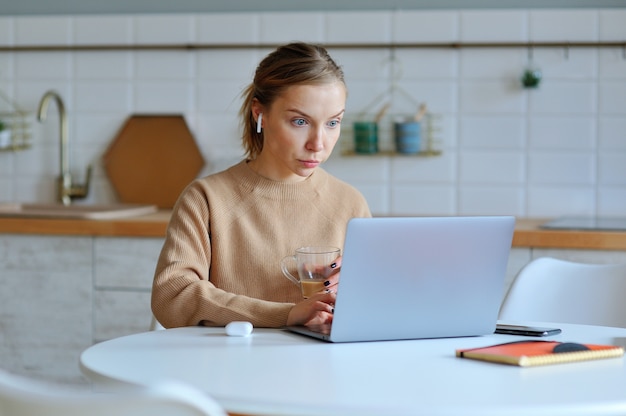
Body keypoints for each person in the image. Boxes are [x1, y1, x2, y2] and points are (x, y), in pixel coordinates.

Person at [151, 42, 371, 329]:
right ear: (260, 114)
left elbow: (371, 309)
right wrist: (286, 314)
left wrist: (357, 289)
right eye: (300, 121)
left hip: (324, 368)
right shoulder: (206, 199)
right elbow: (172, 297)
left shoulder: (350, 203)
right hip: (229, 368)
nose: (318, 144)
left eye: (332, 123)